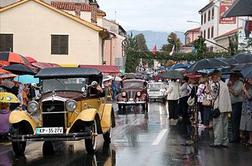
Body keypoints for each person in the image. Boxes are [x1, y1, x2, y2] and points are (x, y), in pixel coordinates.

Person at [209, 70, 232, 148]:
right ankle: (225, 142)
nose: (211, 77)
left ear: (216, 76)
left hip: (218, 107)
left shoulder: (216, 85)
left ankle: (218, 142)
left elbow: (213, 96)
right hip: (226, 107)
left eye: (212, 76)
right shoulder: (224, 84)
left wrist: (208, 88)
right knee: (225, 125)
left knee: (218, 125)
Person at [227, 72, 243, 143]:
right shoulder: (229, 82)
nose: (231, 78)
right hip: (230, 104)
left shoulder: (240, 83)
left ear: (236, 77)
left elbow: (236, 93)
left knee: (235, 120)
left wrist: (230, 87)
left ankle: (236, 137)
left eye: (232, 76)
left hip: (237, 103)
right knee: (230, 120)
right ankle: (232, 136)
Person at [240, 79, 252, 145]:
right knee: (243, 125)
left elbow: (249, 97)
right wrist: (243, 91)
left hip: (249, 110)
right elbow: (243, 97)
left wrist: (245, 90)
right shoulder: (246, 90)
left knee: (250, 126)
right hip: (244, 109)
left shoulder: (250, 90)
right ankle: (244, 137)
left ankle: (250, 139)